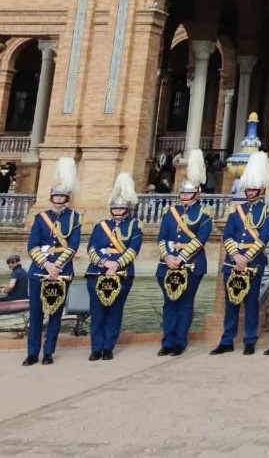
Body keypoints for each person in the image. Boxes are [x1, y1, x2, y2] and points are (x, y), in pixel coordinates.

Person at [212, 152, 269, 356]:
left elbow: (263, 238)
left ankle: (250, 339)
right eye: (248, 189)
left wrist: (245, 257)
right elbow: (228, 235)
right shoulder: (235, 211)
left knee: (250, 304)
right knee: (231, 303)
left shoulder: (267, 212)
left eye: (254, 189)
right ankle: (227, 339)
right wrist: (235, 256)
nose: (250, 193)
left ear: (261, 190)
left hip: (252, 263)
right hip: (234, 262)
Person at [22, 158, 81, 366]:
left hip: (61, 271)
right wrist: (46, 265)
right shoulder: (40, 218)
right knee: (36, 313)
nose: (58, 199)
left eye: (62, 196)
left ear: (66, 198)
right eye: (56, 195)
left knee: (56, 312)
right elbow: (32, 245)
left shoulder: (74, 218)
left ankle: (48, 352)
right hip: (40, 270)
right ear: (51, 197)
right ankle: (32, 353)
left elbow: (73, 246)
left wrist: (57, 267)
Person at [157, 149, 213, 357]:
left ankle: (180, 341)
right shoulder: (170, 212)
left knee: (185, 303)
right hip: (167, 263)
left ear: (197, 194)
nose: (185, 197)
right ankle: (167, 341)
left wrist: (180, 258)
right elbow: (161, 237)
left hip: (191, 264)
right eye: (182, 194)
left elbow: (200, 239)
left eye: (188, 194)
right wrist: (168, 257)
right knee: (169, 304)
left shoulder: (204, 213)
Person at [86, 173, 143, 361]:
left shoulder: (134, 227)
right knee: (97, 312)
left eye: (121, 208)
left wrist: (116, 264)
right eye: (115, 208)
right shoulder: (100, 226)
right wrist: (104, 263)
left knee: (115, 311)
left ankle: (108, 347)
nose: (117, 211)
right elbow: (92, 248)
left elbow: (133, 249)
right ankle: (96, 348)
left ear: (126, 209)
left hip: (122, 274)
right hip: (97, 272)